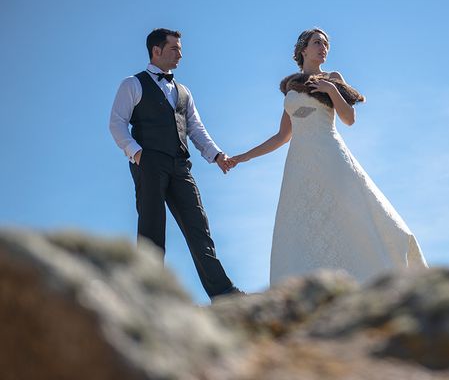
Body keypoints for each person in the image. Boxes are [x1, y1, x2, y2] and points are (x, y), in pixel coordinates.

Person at [230, 28, 427, 285]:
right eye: (317, 43)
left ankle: (377, 274)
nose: (323, 47)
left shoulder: (333, 77)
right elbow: (281, 136)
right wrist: (243, 157)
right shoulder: (291, 87)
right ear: (303, 49)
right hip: (299, 164)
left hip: (331, 155)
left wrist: (331, 89)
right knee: (305, 222)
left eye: (325, 44)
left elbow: (349, 119)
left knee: (353, 211)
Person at [109, 28, 242, 300]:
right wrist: (137, 154)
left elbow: (195, 127)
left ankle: (224, 294)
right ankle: (150, 296)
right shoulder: (132, 84)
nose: (180, 53)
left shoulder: (184, 91)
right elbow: (117, 123)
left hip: (181, 166)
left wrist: (216, 155)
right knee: (151, 229)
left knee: (198, 227)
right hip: (148, 163)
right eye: (174, 48)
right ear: (156, 51)